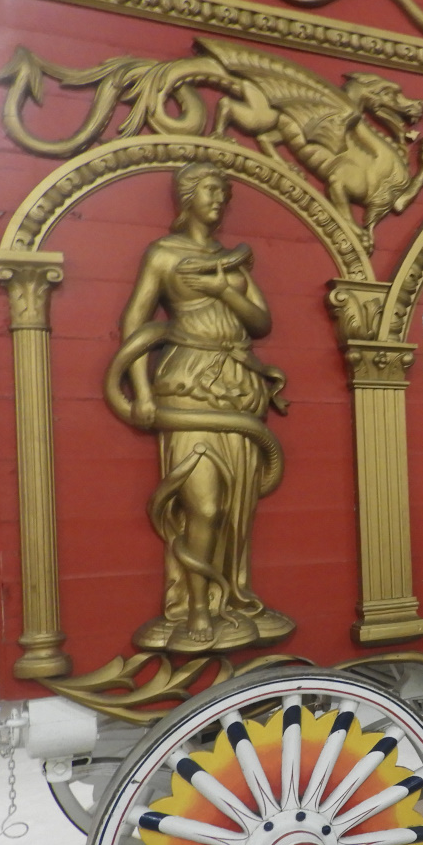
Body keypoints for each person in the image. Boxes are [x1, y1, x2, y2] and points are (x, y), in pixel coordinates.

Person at [105, 163, 294, 652]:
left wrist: (223, 289)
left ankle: (229, 600)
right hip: (189, 384)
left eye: (225, 193)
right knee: (203, 504)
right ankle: (193, 611)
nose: (220, 200)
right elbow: (134, 323)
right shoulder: (165, 254)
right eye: (212, 190)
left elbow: (260, 322)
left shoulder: (233, 262)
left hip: (240, 386)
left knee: (237, 510)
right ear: (187, 196)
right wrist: (141, 392)